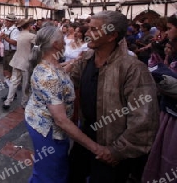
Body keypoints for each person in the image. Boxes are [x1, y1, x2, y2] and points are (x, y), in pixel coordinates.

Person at [68, 11, 159, 182]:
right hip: (85, 140)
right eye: (88, 28)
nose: (87, 34)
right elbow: (67, 85)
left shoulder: (133, 69)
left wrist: (116, 151)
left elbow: (144, 121)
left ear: (111, 36)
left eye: (94, 30)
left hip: (111, 150)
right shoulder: (86, 59)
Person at [25, 26, 105, 183]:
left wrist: (74, 62)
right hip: (48, 130)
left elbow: (59, 71)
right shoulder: (49, 76)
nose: (65, 42)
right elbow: (61, 120)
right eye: (62, 39)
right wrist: (95, 147)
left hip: (41, 121)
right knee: (51, 175)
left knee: (46, 169)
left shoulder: (49, 63)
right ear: (55, 44)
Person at [142, 14, 177, 181]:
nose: (166, 33)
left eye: (169, 29)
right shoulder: (169, 48)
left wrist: (163, 73)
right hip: (168, 110)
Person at [3, 18, 36, 110]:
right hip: (25, 62)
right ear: (29, 26)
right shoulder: (31, 36)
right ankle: (24, 103)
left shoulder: (20, 34)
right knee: (25, 84)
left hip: (17, 60)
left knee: (14, 82)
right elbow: (38, 46)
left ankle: (8, 101)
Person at [1, 13, 19, 91]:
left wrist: (5, 38)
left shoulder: (15, 30)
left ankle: (12, 91)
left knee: (10, 72)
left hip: (12, 52)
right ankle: (11, 90)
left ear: (12, 22)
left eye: (7, 21)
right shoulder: (5, 29)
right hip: (6, 52)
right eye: (6, 20)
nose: (6, 22)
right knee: (5, 72)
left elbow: (15, 42)